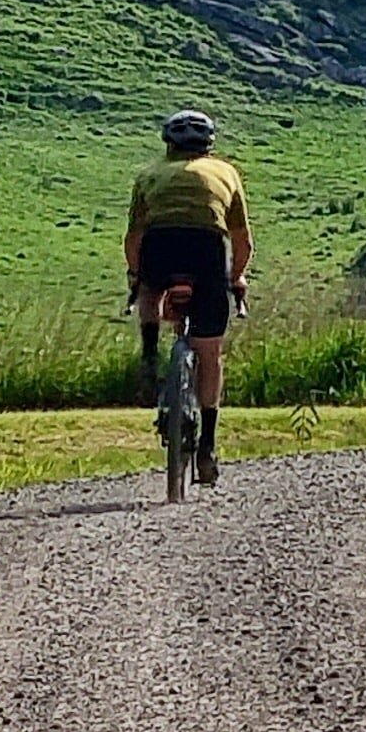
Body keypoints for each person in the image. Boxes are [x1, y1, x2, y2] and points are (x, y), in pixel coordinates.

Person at [125, 109, 250, 487]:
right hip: (206, 250)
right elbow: (242, 239)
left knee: (149, 290)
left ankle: (149, 353)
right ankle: (208, 446)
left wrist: (136, 275)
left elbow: (134, 238)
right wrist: (236, 276)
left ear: (168, 143)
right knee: (209, 352)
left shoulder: (149, 174)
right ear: (209, 145)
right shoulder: (226, 173)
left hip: (161, 247)